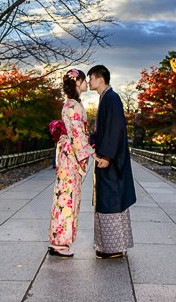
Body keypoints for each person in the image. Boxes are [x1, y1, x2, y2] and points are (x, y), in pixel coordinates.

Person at [87, 64, 136, 259]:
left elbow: (115, 128)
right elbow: (104, 131)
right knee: (107, 199)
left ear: (100, 79)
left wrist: (107, 155)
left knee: (110, 200)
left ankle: (114, 248)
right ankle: (110, 246)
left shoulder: (111, 98)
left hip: (111, 160)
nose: (89, 81)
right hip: (108, 157)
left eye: (91, 78)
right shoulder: (106, 98)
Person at [48, 69, 95, 257]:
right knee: (67, 198)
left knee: (63, 196)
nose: (86, 83)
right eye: (84, 80)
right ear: (78, 82)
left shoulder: (70, 104)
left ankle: (58, 240)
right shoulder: (74, 106)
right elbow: (78, 135)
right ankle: (60, 243)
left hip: (66, 155)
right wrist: (92, 153)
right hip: (71, 157)